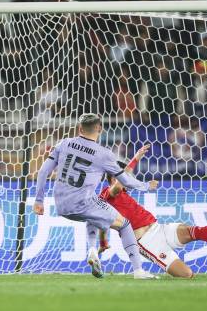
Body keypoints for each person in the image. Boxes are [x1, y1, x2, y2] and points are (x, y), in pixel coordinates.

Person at [33, 113, 158, 279]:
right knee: (125, 224)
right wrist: (145, 186)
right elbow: (125, 181)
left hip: (61, 205)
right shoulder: (103, 154)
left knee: (94, 214)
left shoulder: (64, 143)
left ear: (79, 129)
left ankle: (92, 250)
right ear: (99, 129)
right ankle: (139, 271)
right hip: (83, 202)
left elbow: (43, 171)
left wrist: (39, 200)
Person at [96, 146, 207, 278]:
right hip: (146, 242)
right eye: (125, 178)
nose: (130, 181)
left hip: (159, 228)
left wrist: (103, 242)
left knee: (191, 231)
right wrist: (135, 160)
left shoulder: (123, 193)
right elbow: (103, 218)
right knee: (187, 275)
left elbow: (103, 222)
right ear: (114, 178)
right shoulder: (107, 194)